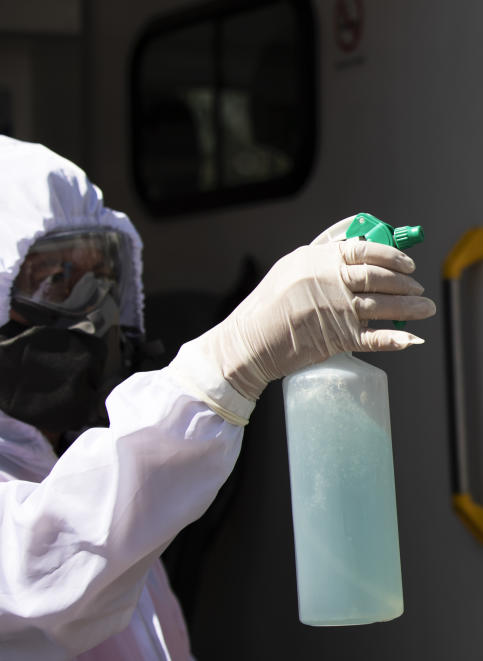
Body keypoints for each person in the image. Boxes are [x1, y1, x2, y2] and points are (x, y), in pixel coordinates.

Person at [0, 135, 436, 658]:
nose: (91, 308)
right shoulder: (88, 490)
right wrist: (232, 359)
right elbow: (43, 572)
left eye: (100, 275)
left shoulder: (74, 461)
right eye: (54, 278)